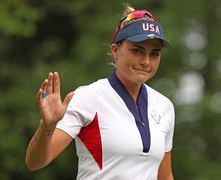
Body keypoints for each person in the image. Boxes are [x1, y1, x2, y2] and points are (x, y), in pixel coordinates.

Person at [25, 6, 175, 180]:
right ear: (115, 51)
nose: (146, 61)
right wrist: (47, 126)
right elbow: (35, 162)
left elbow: (165, 176)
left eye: (154, 54)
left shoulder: (164, 107)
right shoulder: (88, 97)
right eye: (137, 50)